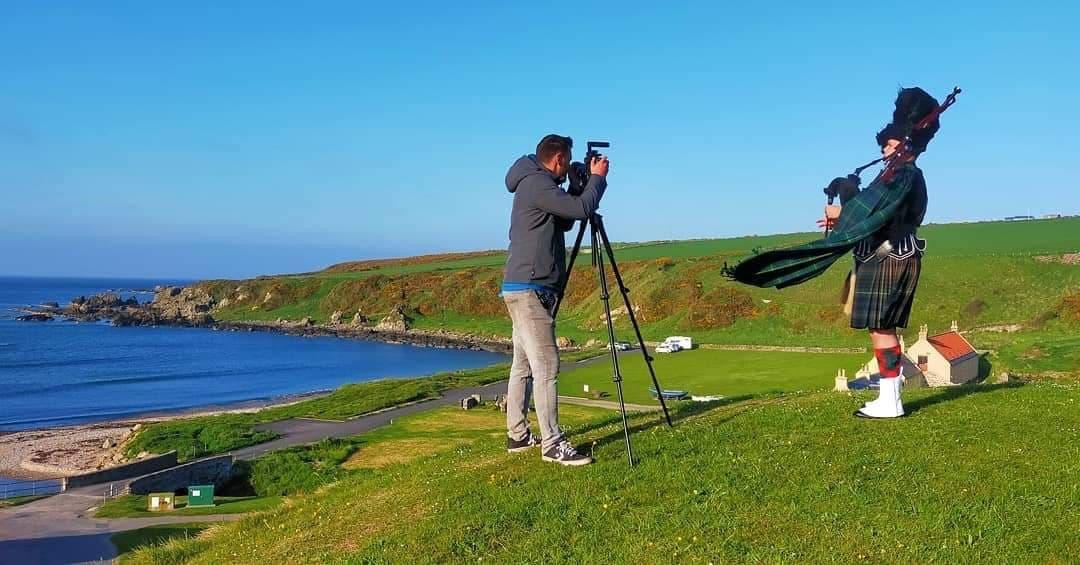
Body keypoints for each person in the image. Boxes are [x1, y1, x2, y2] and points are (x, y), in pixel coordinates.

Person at [726, 87, 948, 419]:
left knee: (882, 327)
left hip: (889, 256)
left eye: (888, 144)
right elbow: (872, 209)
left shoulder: (904, 175)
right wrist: (848, 194)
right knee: (881, 328)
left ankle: (891, 401)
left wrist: (842, 209)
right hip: (886, 255)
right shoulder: (898, 176)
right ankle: (890, 397)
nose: (884, 150)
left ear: (904, 142)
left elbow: (873, 214)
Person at [501, 134, 609, 466]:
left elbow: (565, 219)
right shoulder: (536, 184)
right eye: (569, 162)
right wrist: (597, 180)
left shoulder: (535, 183)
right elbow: (580, 210)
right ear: (558, 159)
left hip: (523, 286)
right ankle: (552, 443)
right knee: (546, 365)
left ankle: (517, 435)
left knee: (523, 365)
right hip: (530, 288)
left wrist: (579, 186)